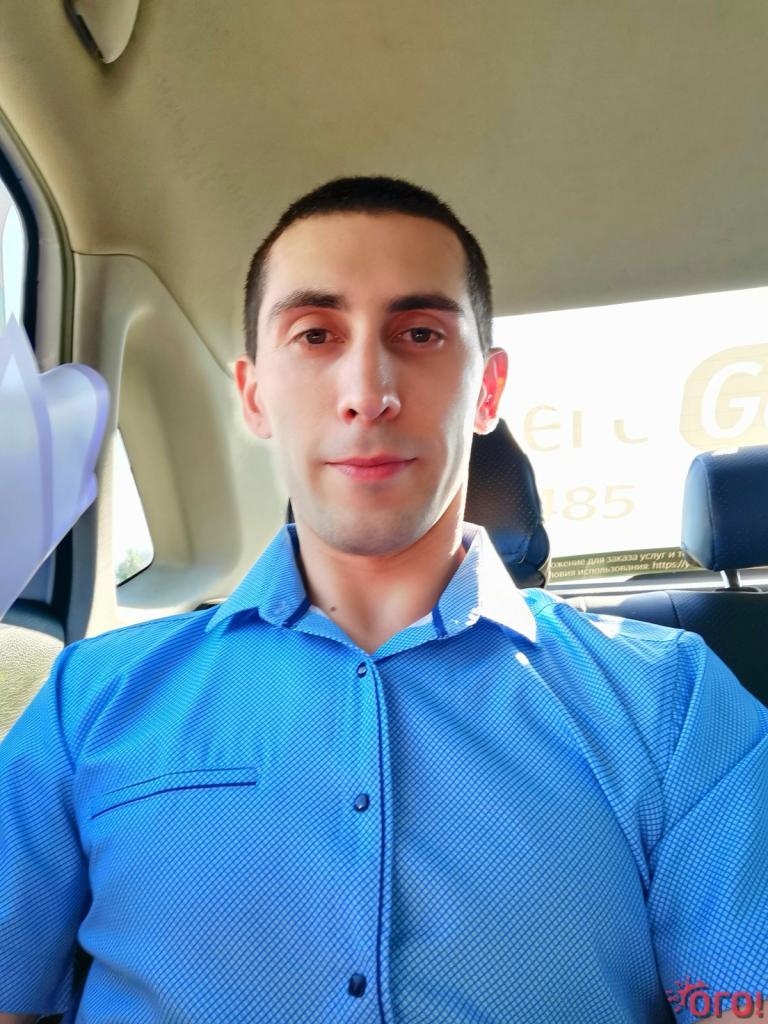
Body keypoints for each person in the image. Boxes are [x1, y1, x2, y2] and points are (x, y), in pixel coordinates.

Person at [0, 176, 765, 1024]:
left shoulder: (675, 704)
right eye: (315, 334)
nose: (368, 391)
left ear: (489, 391)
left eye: (421, 333)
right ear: (254, 395)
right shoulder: (87, 701)